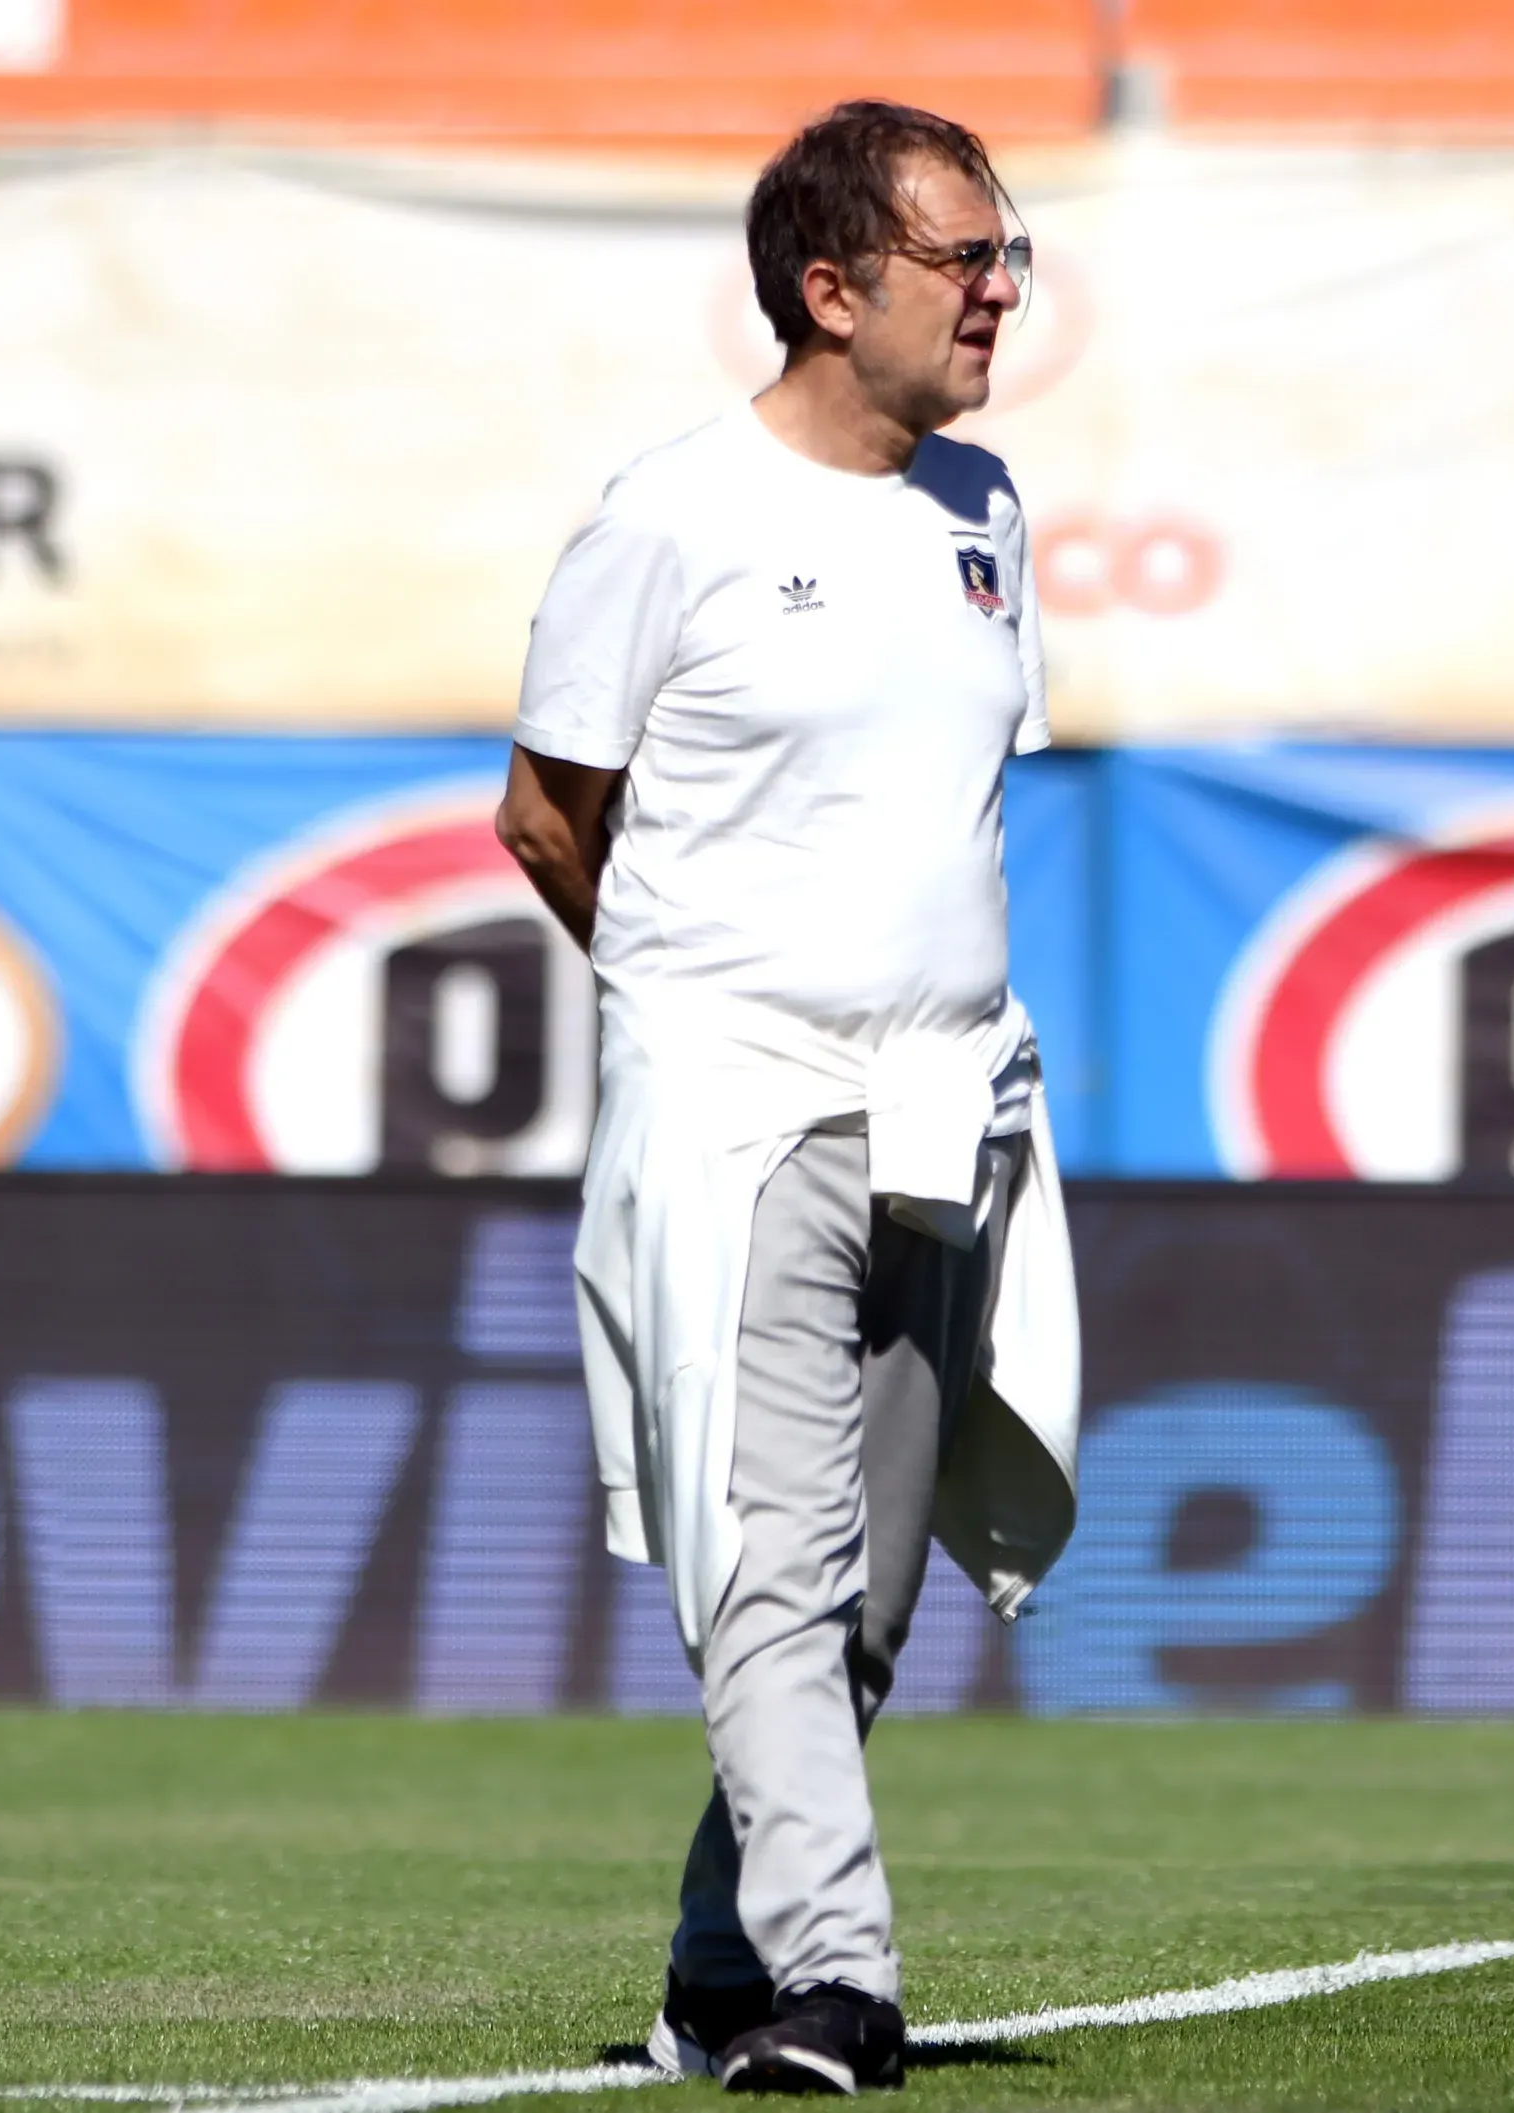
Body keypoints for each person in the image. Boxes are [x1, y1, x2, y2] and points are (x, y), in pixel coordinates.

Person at [497, 99, 1083, 2097]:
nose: (1001, 290)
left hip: (944, 1110)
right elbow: (547, 816)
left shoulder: (987, 507)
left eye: (1008, 252)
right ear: (831, 290)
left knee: (869, 1597)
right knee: (763, 1559)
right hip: (737, 1108)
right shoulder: (669, 516)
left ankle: (714, 1975)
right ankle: (841, 1983)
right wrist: (699, 1004)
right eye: (963, 258)